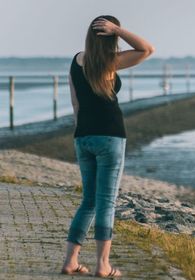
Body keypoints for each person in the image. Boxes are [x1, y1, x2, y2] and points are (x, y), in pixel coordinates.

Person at [61, 15, 154, 278]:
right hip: (111, 136)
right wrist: (119, 29)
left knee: (88, 200)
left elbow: (75, 104)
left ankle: (71, 261)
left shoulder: (76, 61)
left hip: (83, 136)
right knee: (105, 202)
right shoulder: (110, 62)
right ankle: (103, 266)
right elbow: (147, 49)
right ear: (111, 37)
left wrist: (79, 134)